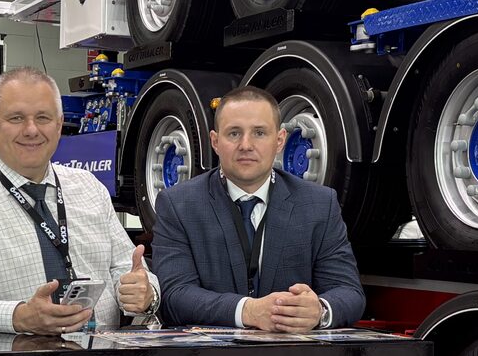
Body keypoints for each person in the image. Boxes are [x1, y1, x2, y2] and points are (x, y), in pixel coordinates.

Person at [0, 67, 159, 334]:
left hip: (101, 355)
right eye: (16, 118)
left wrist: (145, 291)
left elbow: (128, 269)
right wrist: (16, 316)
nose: (31, 130)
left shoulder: (90, 189)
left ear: (59, 124)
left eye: (43, 118)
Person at [151, 86, 365, 331]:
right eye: (234, 133)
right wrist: (248, 311)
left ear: (280, 141)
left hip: (293, 354)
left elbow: (349, 292)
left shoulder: (320, 204)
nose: (246, 145)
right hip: (209, 354)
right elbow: (174, 296)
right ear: (215, 142)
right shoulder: (177, 205)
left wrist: (320, 310)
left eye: (259, 133)